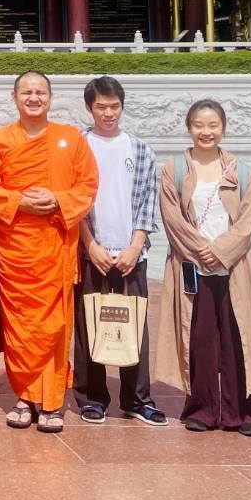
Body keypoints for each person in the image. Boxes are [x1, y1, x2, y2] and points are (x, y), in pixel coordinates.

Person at [0, 71, 98, 434]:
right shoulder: (0, 139)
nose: (34, 98)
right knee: (21, 326)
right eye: (26, 92)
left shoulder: (71, 138)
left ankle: (51, 401)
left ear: (50, 97)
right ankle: (24, 397)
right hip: (15, 248)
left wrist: (57, 200)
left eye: (40, 92)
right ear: (14, 97)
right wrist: (20, 201)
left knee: (55, 325)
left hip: (56, 245)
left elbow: (88, 184)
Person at [155, 99, 251, 435]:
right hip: (192, 267)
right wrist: (199, 251)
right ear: (188, 128)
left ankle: (243, 412)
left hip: (235, 267)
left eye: (212, 126)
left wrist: (220, 251)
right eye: (199, 125)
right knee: (200, 339)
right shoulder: (175, 169)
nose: (206, 132)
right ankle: (203, 409)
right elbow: (172, 218)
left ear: (223, 128)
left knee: (239, 338)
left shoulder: (241, 171)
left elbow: (248, 222)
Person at [73, 76, 168, 426]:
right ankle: (92, 397)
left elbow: (146, 201)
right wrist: (90, 244)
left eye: (114, 106)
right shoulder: (78, 146)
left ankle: (136, 398)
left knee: (135, 326)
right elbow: (75, 202)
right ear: (89, 108)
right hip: (90, 251)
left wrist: (136, 245)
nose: (108, 113)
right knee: (88, 327)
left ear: (122, 106)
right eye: (101, 107)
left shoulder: (140, 149)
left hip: (131, 253)